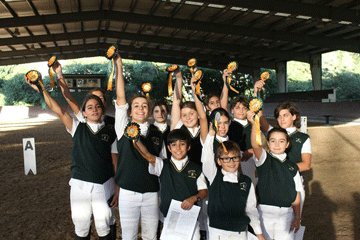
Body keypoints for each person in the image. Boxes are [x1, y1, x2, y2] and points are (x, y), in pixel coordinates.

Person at [25, 76, 118, 240]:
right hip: (79, 185)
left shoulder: (111, 132)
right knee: (81, 227)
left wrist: (116, 188)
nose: (94, 109)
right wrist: (42, 88)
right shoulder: (77, 127)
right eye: (90, 107)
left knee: (104, 227)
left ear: (102, 110)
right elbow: (58, 110)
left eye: (98, 106)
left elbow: (114, 161)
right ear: (84, 112)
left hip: (103, 185)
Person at [52, 61, 118, 239]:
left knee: (107, 221)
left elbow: (116, 158)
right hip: (84, 180)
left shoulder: (114, 124)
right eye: (92, 102)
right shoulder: (83, 121)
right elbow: (68, 100)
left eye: (100, 100)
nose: (96, 104)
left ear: (104, 103)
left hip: (106, 179)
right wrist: (59, 75)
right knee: (82, 223)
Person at [113, 53, 166, 240]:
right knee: (128, 236)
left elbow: (162, 164)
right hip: (127, 193)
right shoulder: (123, 127)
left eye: (144, 106)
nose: (141, 109)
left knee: (151, 236)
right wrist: (119, 66)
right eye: (136, 106)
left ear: (149, 110)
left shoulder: (158, 133)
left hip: (151, 193)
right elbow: (120, 97)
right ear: (130, 110)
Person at [139, 129, 208, 239]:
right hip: (170, 219)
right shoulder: (163, 165)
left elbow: (204, 192)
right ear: (169, 148)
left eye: (182, 144)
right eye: (174, 145)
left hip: (191, 220)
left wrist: (194, 198)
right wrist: (135, 139)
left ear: (188, 147)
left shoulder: (196, 168)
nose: (178, 148)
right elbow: (146, 154)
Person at [201, 126, 264, 240]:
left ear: (239, 159)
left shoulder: (246, 181)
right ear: (219, 161)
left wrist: (259, 233)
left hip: (239, 232)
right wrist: (210, 135)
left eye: (235, 158)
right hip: (217, 232)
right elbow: (206, 158)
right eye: (226, 159)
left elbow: (251, 209)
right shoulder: (214, 176)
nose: (231, 162)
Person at [248, 110, 302, 240]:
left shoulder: (292, 167)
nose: (277, 144)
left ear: (287, 144)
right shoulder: (264, 159)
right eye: (273, 141)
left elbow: (296, 195)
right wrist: (254, 124)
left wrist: (297, 217)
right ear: (268, 143)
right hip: (265, 213)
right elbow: (255, 144)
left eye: (281, 141)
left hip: (286, 215)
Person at [258, 100, 311, 213]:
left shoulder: (303, 138)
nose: (282, 119)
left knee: (294, 220)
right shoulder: (274, 133)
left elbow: (306, 165)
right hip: (272, 181)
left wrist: (283, 170)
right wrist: (257, 94)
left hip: (293, 181)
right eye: (279, 116)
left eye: (285, 115)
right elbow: (260, 116)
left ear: (294, 116)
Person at [171, 67, 205, 167]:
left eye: (191, 113)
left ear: (198, 114)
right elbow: (176, 102)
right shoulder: (178, 128)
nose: (188, 118)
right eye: (184, 115)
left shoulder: (203, 130)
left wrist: (194, 88)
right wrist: (179, 78)